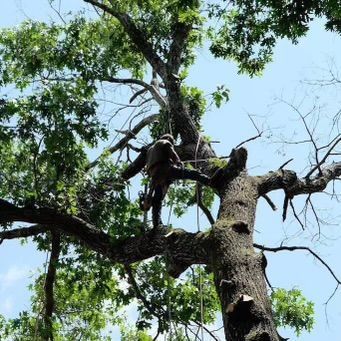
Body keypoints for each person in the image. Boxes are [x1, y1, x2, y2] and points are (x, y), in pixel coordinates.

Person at [142, 134, 210, 228]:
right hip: (166, 169)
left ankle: (156, 225)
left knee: (157, 200)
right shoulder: (164, 142)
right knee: (193, 174)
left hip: (155, 178)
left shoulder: (149, 151)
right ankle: (210, 181)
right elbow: (172, 153)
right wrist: (178, 162)